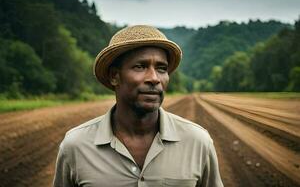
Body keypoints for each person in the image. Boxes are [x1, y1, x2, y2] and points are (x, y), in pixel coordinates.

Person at [53, 25, 223, 187]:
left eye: (162, 68)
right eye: (140, 66)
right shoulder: (76, 146)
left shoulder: (198, 142)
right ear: (114, 76)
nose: (154, 78)